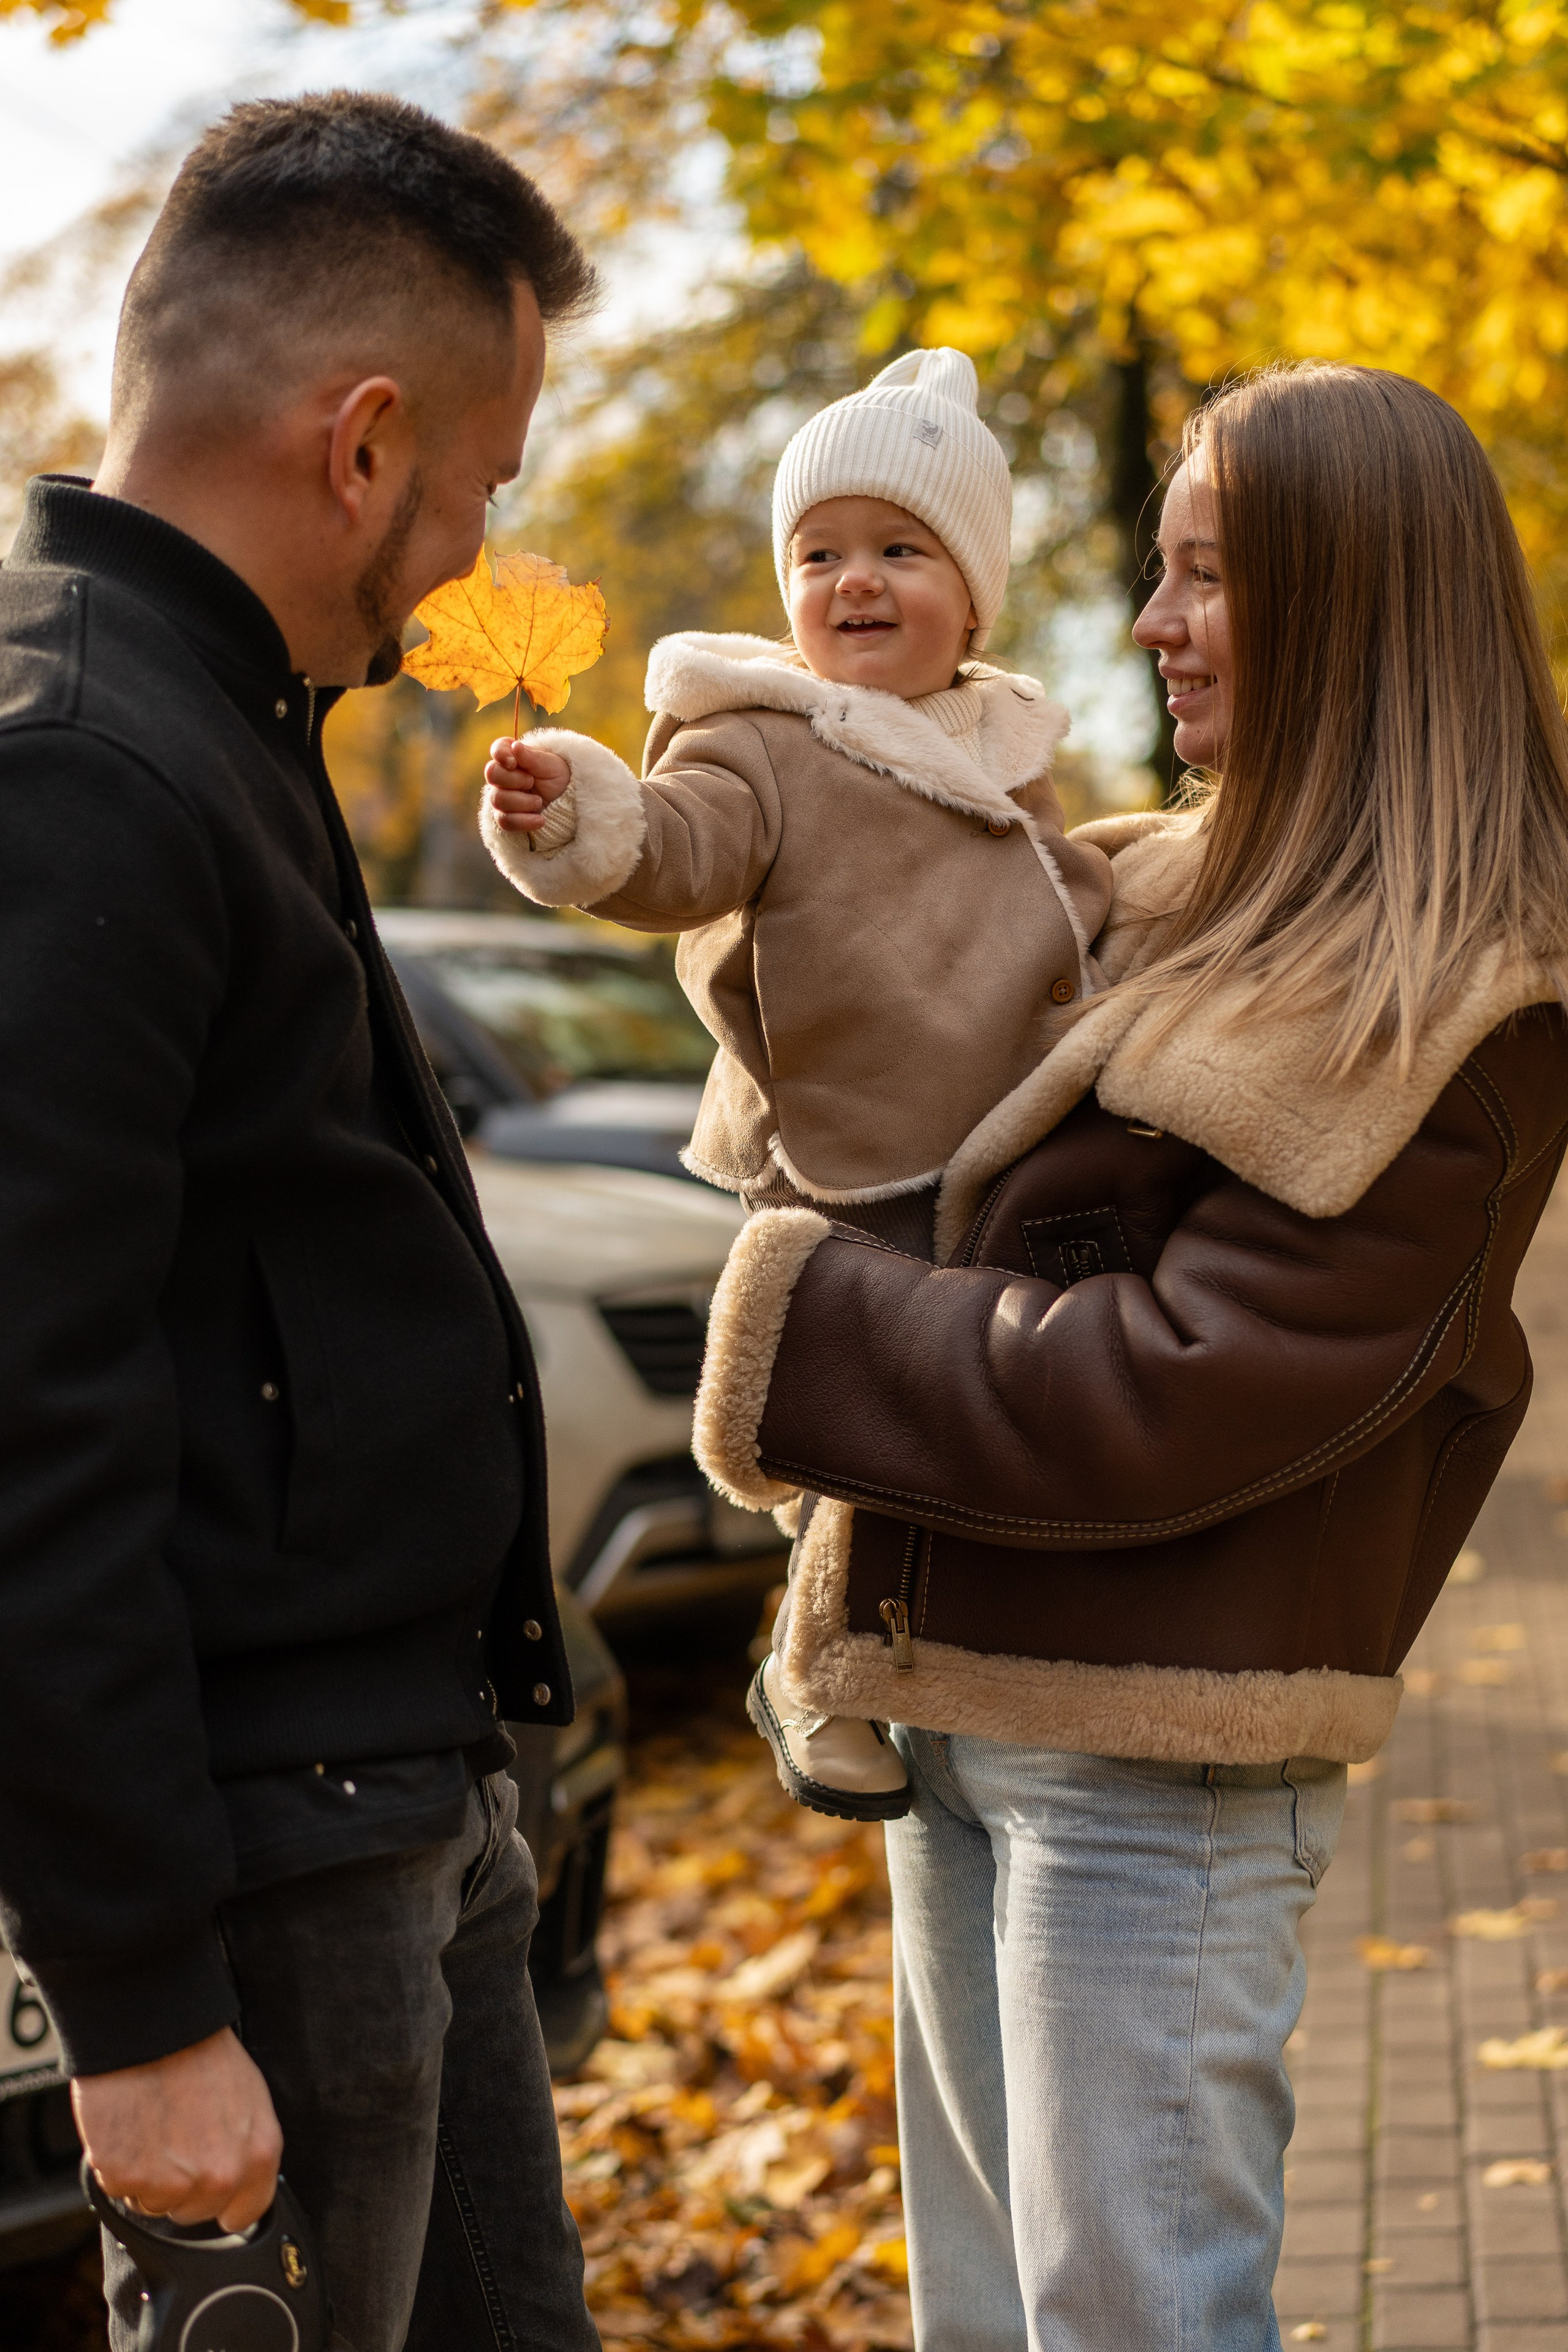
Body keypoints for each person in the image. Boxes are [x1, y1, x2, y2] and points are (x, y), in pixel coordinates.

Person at [687, 364, 1568, 2348]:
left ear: (1363, 602)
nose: (1153, 625)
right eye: (1160, 574)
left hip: (1159, 1770)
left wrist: (793, 1314)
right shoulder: (1137, 883)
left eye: (1210, 580)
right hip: (950, 1698)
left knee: (1134, 2325)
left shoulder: (1455, 984)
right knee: (992, 2323)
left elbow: (1195, 1377)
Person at [0, 92, 601, 2352]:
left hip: (396, 1808)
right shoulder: (75, 755)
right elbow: (22, 1418)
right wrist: (143, 2009)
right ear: (365, 444)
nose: (473, 549)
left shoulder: (220, 714)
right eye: (483, 484)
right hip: (264, 1860)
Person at [480, 348, 1113, 1822]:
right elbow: (678, 849)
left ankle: (923, 1639)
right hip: (843, 1141)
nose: (855, 584)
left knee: (974, 1406)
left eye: (901, 550)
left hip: (994, 1135)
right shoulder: (763, 737)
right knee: (856, 1417)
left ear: (974, 593)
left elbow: (1040, 901)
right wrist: (584, 814)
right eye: (819, 555)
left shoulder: (997, 748)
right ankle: (809, 1664)